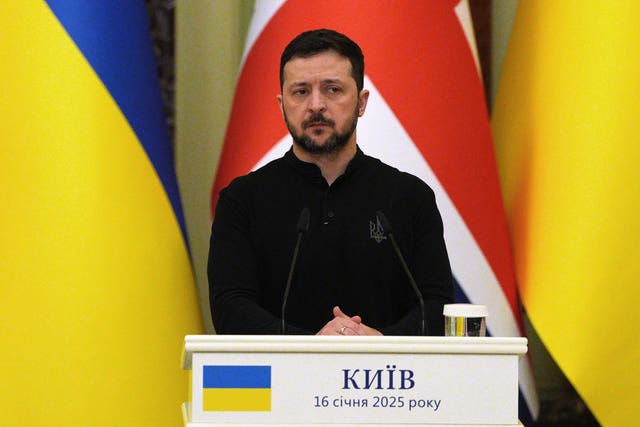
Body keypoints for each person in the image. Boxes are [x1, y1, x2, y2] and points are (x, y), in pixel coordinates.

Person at [208, 28, 453, 336]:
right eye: (300, 92)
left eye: (332, 90)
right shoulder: (241, 201)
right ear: (281, 104)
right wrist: (313, 346)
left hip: (392, 378)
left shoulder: (410, 197)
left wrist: (380, 342)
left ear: (361, 102)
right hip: (278, 381)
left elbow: (437, 306)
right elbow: (230, 310)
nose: (316, 105)